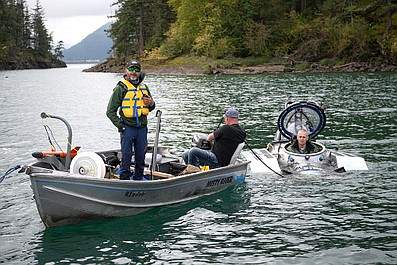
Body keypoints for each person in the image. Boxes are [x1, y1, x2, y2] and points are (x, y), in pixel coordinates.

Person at [106, 60, 155, 180]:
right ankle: (124, 180)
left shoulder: (144, 87)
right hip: (127, 128)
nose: (134, 72)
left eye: (137, 69)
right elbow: (110, 111)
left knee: (140, 157)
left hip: (142, 129)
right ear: (126, 70)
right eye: (131, 69)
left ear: (140, 71)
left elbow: (151, 107)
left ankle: (138, 180)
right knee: (126, 157)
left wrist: (151, 103)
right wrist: (120, 126)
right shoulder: (120, 88)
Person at [182, 107, 246, 168]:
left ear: (227, 118)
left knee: (193, 151)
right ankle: (194, 169)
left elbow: (209, 138)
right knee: (186, 154)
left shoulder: (226, 128)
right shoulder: (242, 132)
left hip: (217, 160)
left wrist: (216, 132)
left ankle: (193, 173)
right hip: (223, 159)